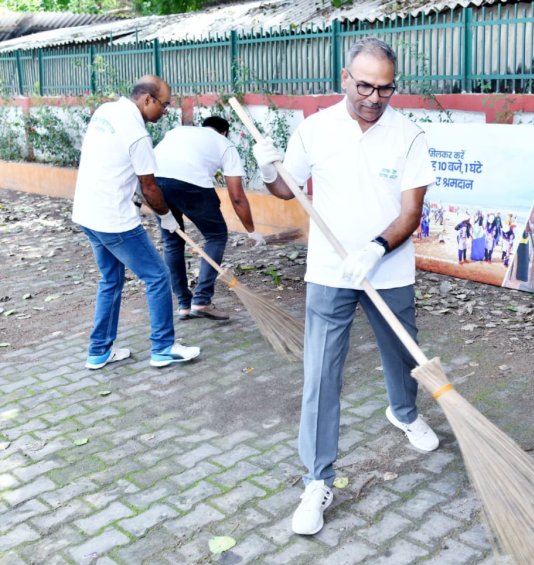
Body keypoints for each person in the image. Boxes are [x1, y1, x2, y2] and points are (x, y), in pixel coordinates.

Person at [251, 37, 439, 536]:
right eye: (365, 86)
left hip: (388, 268)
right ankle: (317, 480)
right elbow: (286, 189)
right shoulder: (315, 130)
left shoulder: (408, 136)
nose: (374, 98)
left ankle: (403, 413)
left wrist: (375, 249)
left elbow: (411, 213)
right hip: (330, 273)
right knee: (321, 373)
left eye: (385, 88)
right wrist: (269, 167)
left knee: (402, 352)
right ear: (344, 79)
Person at [72, 75, 200, 369]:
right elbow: (150, 187)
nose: (165, 112)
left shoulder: (106, 112)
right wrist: (166, 217)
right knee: (157, 276)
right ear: (147, 99)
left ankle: (99, 351)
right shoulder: (138, 134)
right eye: (164, 105)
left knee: (111, 279)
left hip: (87, 213)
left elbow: (109, 161)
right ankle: (164, 347)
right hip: (113, 219)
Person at [154, 116, 265, 321]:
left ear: (203, 127)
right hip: (191, 184)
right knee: (216, 236)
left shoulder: (179, 131)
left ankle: (184, 305)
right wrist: (251, 231)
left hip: (154, 183)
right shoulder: (225, 144)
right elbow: (237, 197)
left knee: (172, 241)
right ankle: (202, 300)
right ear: (225, 132)